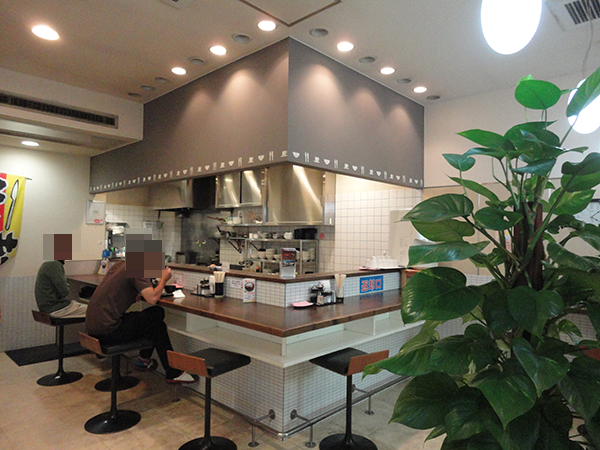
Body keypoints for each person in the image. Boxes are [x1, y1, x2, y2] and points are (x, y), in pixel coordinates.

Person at [85, 259, 196, 384]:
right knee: (157, 320)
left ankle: (145, 360)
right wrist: (163, 280)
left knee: (154, 317)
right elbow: (152, 299)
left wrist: (134, 293)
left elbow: (118, 289)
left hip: (94, 327)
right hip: (108, 331)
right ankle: (171, 372)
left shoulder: (121, 265)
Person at [35, 232, 88, 318]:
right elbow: (64, 292)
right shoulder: (54, 265)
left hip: (47, 307)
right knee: (93, 311)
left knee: (81, 305)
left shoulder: (48, 263)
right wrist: (67, 285)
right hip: (56, 309)